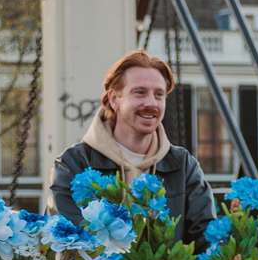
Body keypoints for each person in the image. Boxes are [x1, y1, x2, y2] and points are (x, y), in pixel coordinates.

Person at [49, 49, 216, 246]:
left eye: (159, 95)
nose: (151, 103)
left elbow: (205, 242)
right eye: (140, 92)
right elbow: (69, 248)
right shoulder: (73, 164)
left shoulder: (183, 165)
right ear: (114, 99)